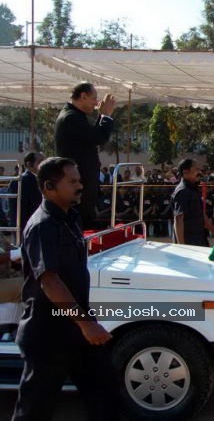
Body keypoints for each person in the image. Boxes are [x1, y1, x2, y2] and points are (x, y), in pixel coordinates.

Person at [13, 157, 118, 420]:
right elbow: (49, 281)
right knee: (34, 409)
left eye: (79, 180)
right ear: (49, 186)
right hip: (49, 333)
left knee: (106, 397)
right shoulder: (43, 226)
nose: (80, 186)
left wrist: (84, 324)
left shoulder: (69, 217)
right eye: (72, 182)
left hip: (76, 328)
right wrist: (86, 324)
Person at [54, 82, 116, 230]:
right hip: (77, 184)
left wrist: (102, 116)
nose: (96, 104)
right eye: (94, 99)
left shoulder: (76, 116)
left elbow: (92, 136)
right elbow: (98, 138)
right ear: (83, 96)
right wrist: (105, 116)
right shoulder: (71, 118)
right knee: (78, 226)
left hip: (83, 183)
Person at [171, 158, 214, 246]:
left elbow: (202, 215)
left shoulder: (193, 189)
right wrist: (182, 246)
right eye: (196, 169)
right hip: (188, 242)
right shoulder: (183, 191)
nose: (199, 172)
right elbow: (178, 219)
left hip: (199, 239)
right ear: (185, 172)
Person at [8, 152, 45, 233]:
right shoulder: (20, 182)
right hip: (27, 229)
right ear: (29, 164)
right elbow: (16, 210)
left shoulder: (43, 180)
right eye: (40, 162)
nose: (44, 164)